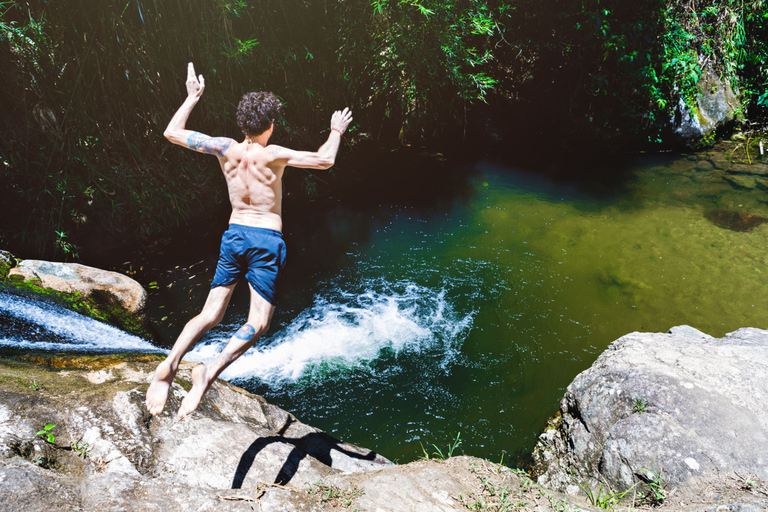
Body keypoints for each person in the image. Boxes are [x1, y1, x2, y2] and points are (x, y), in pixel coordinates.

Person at [145, 62, 353, 418]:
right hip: (265, 241)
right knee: (257, 323)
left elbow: (172, 132)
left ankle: (169, 364)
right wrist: (335, 130)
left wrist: (192, 97)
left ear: (242, 125)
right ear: (270, 125)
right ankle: (208, 373)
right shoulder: (272, 156)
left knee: (209, 314)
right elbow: (325, 160)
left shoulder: (224, 148)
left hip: (234, 236)